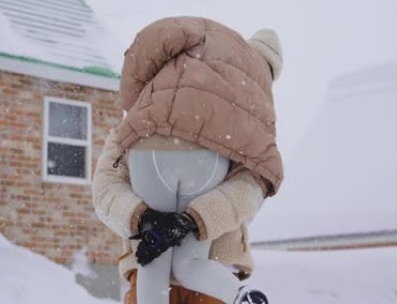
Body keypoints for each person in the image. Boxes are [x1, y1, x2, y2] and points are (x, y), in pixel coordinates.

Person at [92, 16, 284, 304]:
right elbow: (247, 192)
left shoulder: (139, 127)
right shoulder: (244, 134)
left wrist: (148, 220)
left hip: (153, 275)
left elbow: (105, 190)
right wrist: (181, 220)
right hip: (213, 276)